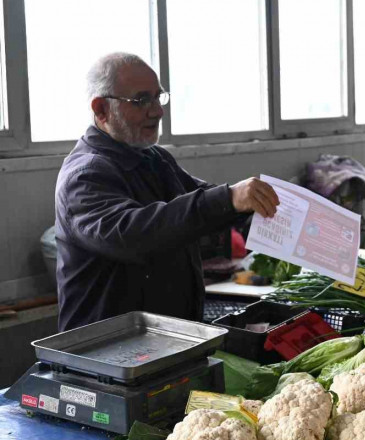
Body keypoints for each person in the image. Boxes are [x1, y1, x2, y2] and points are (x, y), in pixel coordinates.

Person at [54, 53, 280, 331]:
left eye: (158, 97)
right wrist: (229, 198)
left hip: (163, 341)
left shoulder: (153, 159)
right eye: (141, 100)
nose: (157, 111)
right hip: (107, 352)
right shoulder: (85, 175)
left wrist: (266, 213)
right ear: (101, 109)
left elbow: (206, 202)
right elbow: (135, 235)